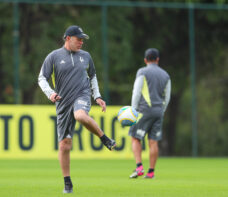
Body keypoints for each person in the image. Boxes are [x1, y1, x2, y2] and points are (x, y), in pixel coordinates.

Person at [38, 25, 116, 193]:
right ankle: (67, 183)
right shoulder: (53, 56)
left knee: (80, 115)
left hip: (82, 95)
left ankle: (105, 139)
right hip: (62, 102)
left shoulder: (86, 56)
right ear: (67, 38)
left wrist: (97, 96)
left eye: (82, 39)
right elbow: (42, 78)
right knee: (65, 145)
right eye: (78, 39)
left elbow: (93, 76)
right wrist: (50, 93)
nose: (81, 42)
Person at [129, 48, 171, 179]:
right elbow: (167, 96)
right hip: (159, 112)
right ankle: (151, 172)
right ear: (157, 59)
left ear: (145, 60)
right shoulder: (166, 75)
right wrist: (162, 110)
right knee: (153, 142)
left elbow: (136, 92)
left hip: (144, 111)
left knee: (135, 138)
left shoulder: (142, 72)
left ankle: (139, 167)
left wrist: (133, 109)